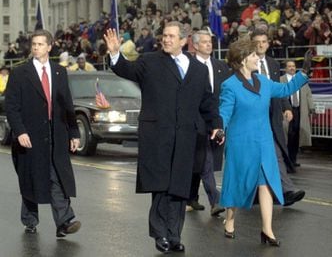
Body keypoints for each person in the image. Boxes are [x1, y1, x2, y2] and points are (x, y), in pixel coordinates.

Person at [103, 21, 223, 253]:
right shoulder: (150, 61)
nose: (166, 39)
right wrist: (115, 53)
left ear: (183, 40)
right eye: (164, 35)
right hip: (157, 136)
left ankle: (174, 235)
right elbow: (126, 69)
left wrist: (215, 125)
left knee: (179, 188)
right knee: (161, 187)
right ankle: (160, 234)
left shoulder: (197, 68)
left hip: (186, 138)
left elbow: (207, 102)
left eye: (171, 36)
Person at [219, 37, 309, 246]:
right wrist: (218, 128)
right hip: (241, 143)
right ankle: (230, 220)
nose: (257, 58)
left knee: (265, 183)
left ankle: (267, 229)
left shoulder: (263, 82)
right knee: (237, 183)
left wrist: (303, 74)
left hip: (264, 143)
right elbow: (224, 112)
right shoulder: (230, 86)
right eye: (252, 55)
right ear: (242, 60)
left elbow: (285, 90)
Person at [5, 29, 81, 237]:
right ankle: (30, 219)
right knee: (31, 176)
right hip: (30, 134)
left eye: (40, 44)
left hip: (56, 132)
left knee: (56, 175)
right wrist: (19, 131)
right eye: (34, 44)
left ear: (50, 46)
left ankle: (64, 221)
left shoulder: (59, 71)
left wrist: (74, 132)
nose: (36, 47)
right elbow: (11, 106)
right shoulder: (20, 73)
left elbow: (67, 105)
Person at [251, 29, 306, 205]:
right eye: (257, 41)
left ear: (268, 43)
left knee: (276, 153)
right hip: (252, 118)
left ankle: (286, 190)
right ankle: (256, 193)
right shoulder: (246, 62)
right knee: (257, 156)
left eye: (264, 41)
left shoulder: (273, 64)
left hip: (272, 116)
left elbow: (278, 88)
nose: (261, 45)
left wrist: (286, 107)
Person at [187, 30, 231, 216]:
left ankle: (191, 198)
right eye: (204, 42)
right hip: (196, 119)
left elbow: (227, 91)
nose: (208, 45)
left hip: (215, 117)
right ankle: (216, 200)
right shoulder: (188, 65)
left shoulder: (220, 66)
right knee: (205, 158)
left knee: (201, 158)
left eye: (210, 41)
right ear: (195, 45)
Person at [280, 60, 314, 168]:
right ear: (285, 68)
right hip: (286, 110)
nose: (292, 68)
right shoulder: (281, 80)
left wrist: (311, 107)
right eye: (289, 66)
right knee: (287, 135)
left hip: (299, 110)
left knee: (296, 136)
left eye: (293, 66)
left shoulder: (302, 80)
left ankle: (293, 159)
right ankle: (286, 160)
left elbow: (308, 94)